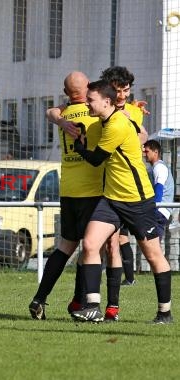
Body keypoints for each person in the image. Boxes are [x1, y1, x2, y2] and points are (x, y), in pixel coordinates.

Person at [71, 79, 172, 324]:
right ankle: (93, 306)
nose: (87, 103)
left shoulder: (116, 124)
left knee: (153, 255)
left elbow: (96, 159)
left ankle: (165, 313)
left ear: (106, 101)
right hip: (112, 199)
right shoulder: (105, 120)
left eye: (91, 100)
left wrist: (79, 147)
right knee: (90, 244)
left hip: (138, 200)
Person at [28, 71, 105, 320]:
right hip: (92, 189)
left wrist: (59, 119)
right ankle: (82, 303)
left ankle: (40, 298)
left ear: (66, 93)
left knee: (65, 245)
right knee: (93, 249)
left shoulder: (63, 115)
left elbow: (52, 111)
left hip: (68, 189)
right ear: (90, 89)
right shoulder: (95, 114)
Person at [100, 66, 149, 288]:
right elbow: (54, 111)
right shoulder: (99, 108)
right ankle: (103, 298)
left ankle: (130, 280)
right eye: (117, 90)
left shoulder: (134, 111)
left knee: (141, 244)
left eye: (125, 90)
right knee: (108, 243)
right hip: (106, 188)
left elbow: (140, 138)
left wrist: (131, 125)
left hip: (133, 189)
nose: (121, 95)